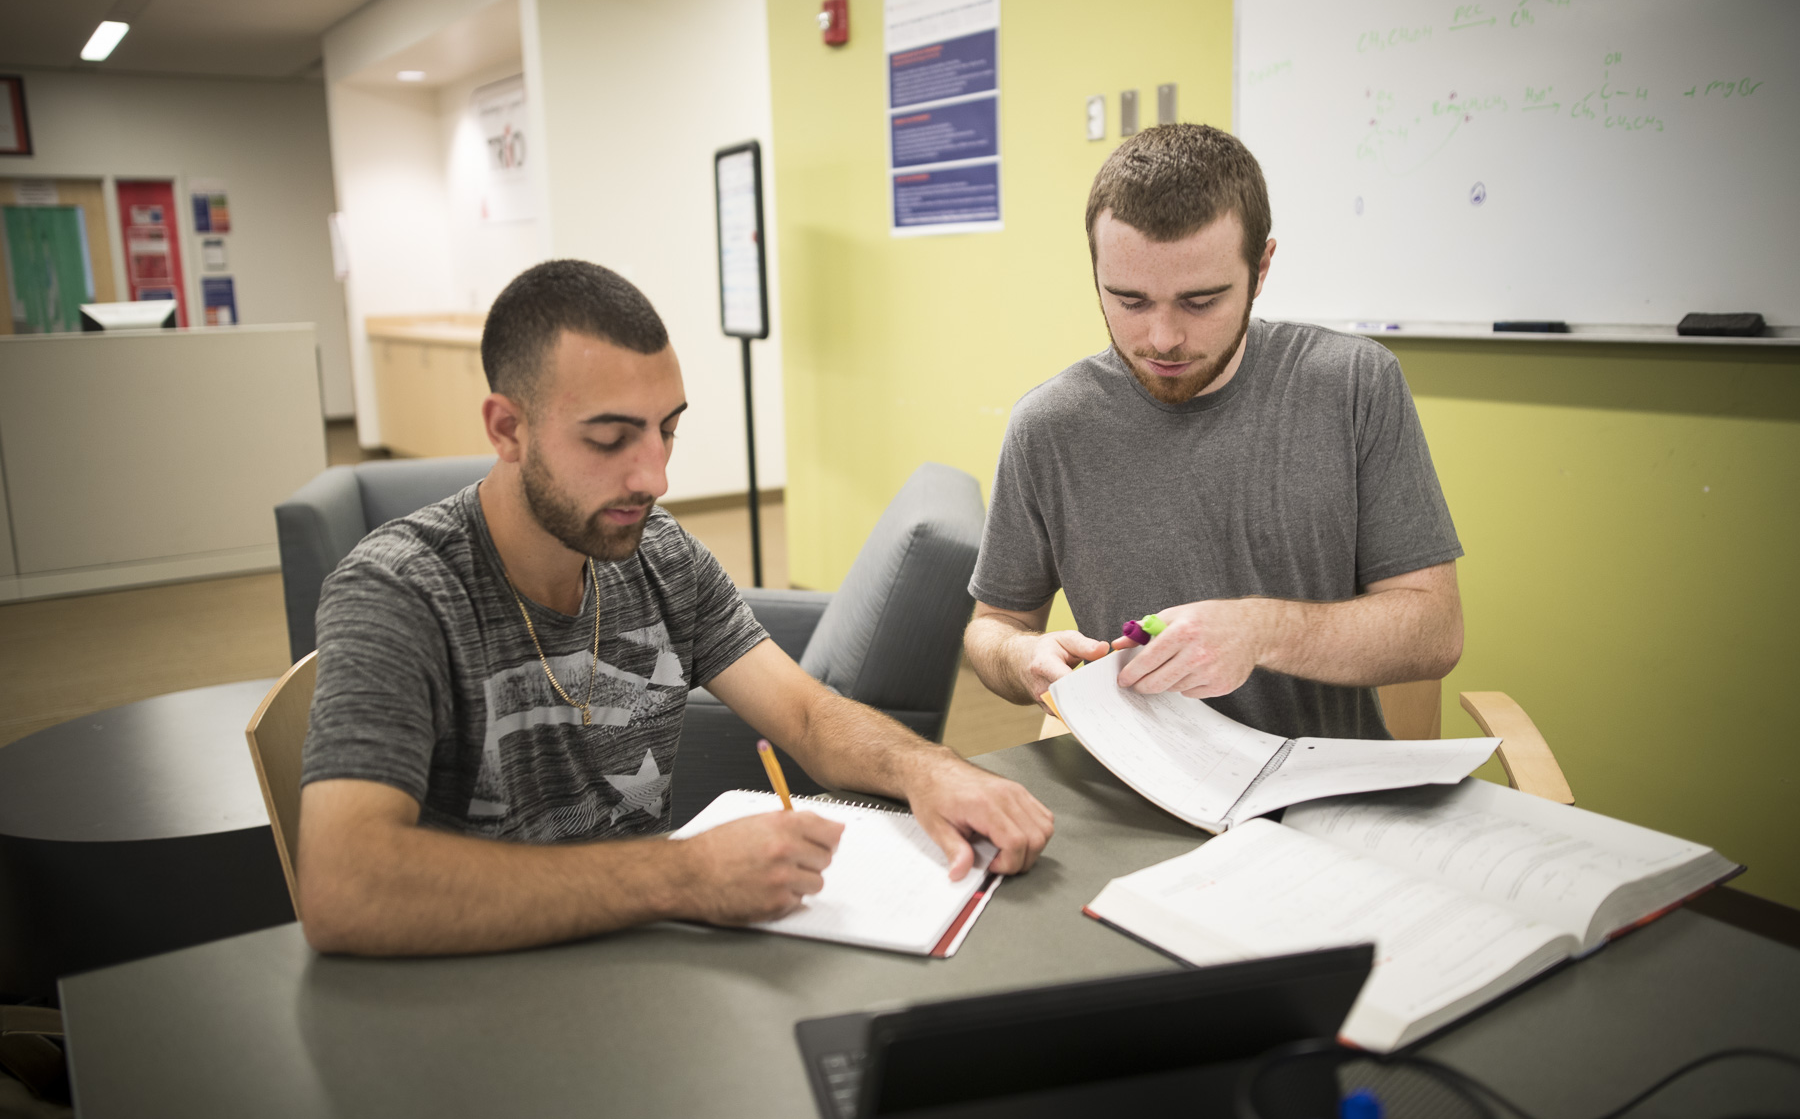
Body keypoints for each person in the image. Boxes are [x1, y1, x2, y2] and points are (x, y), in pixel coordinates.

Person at [299, 259, 1053, 957]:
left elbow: (808, 718)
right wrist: (682, 875)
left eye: (667, 429)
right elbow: (345, 884)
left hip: (646, 972)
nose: (655, 475)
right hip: (477, 997)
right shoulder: (400, 591)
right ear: (508, 430)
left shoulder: (658, 554)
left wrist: (927, 768)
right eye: (610, 439)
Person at [963, 124, 1463, 739]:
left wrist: (1259, 631)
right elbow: (993, 625)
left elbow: (1434, 631)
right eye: (1129, 300)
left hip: (1320, 793)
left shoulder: (1354, 386)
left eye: (1200, 302)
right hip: (1137, 791)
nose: (1163, 338)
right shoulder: (1049, 426)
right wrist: (1018, 658)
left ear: (1262, 268)